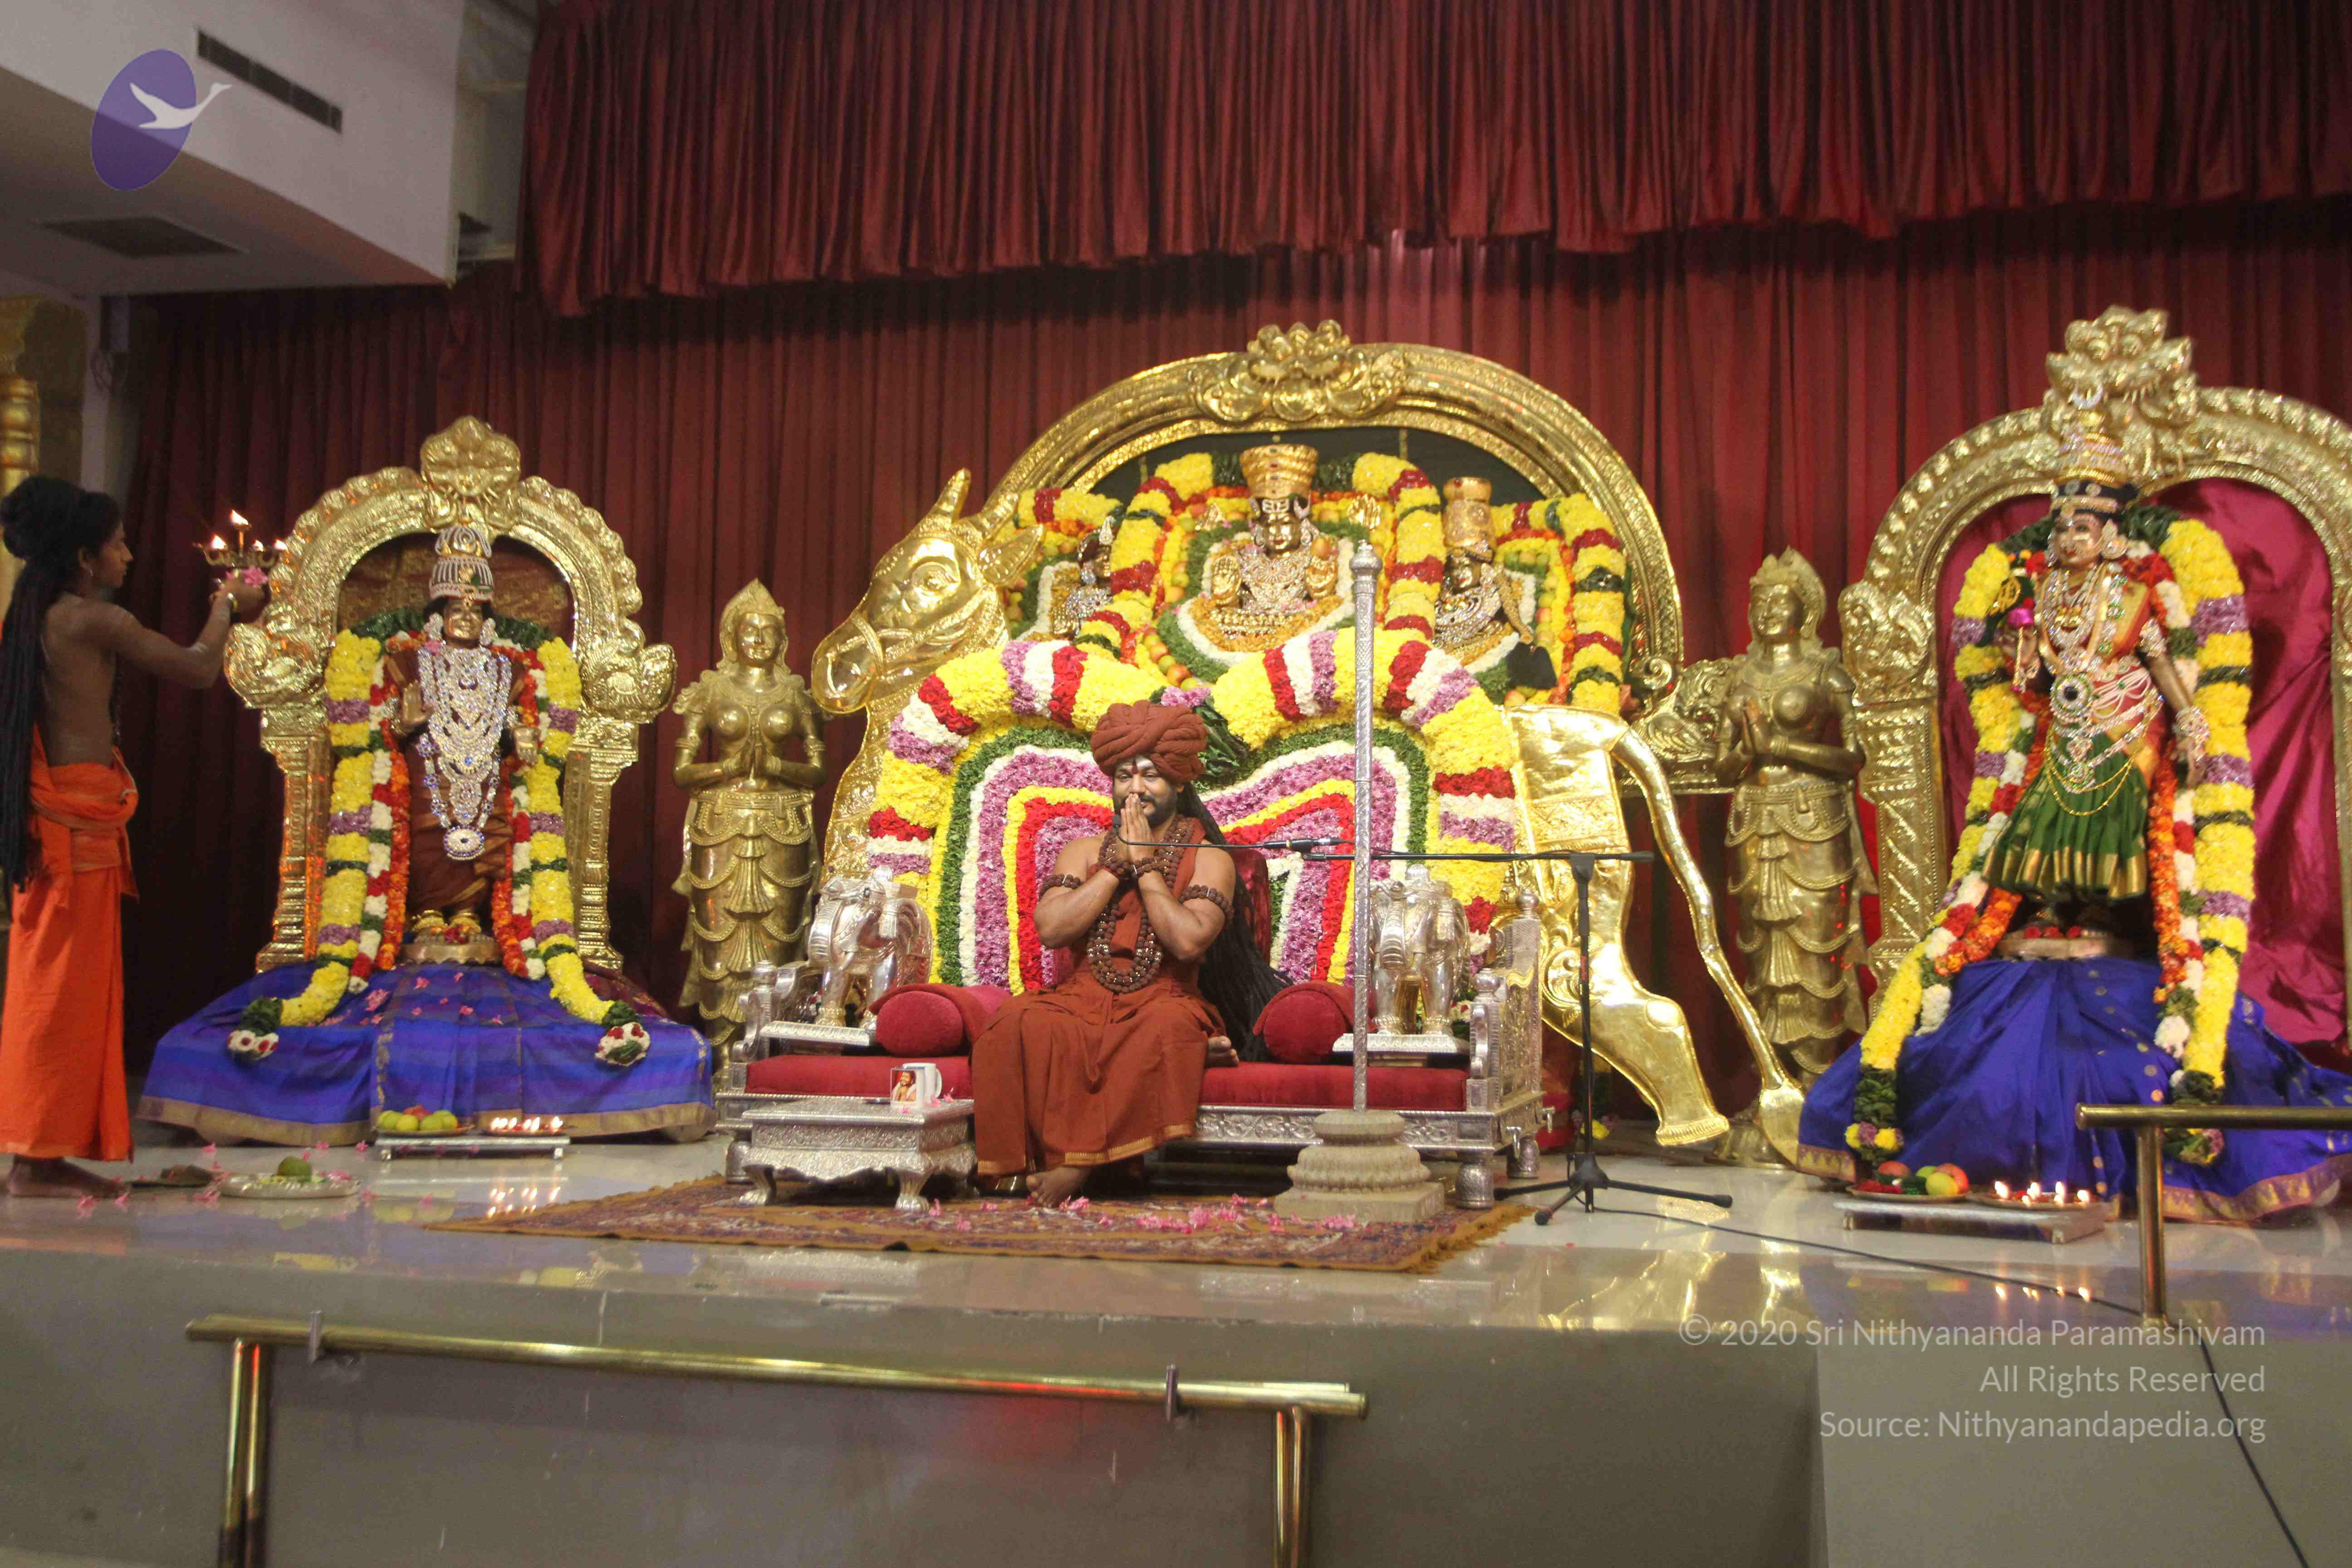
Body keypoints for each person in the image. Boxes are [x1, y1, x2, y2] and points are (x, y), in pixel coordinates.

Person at [0, 477, 235, 1197]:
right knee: (62, 994)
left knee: (66, 990)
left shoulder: (34, 617)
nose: (129, 556)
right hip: (73, 827)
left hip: (69, 820)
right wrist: (228, 607)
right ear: (84, 558)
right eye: (119, 544)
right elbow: (198, 668)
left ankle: (43, 1153)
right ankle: (32, 1158)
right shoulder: (90, 620)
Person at [971, 700, 1285, 1206]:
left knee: (1163, 1029)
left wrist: (1146, 868)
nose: (1135, 788)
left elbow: (1187, 941)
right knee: (1013, 1022)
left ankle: (1076, 1168)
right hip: (1079, 998)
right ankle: (1017, 1164)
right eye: (1124, 776)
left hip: (1164, 1000)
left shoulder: (1209, 858)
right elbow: (1052, 929)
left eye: (1151, 775)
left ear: (1179, 784)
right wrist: (1115, 867)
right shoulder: (1083, 852)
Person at [1713, 549, 1870, 1083]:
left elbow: (1853, 758)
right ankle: (1773, 1086)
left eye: (1781, 601)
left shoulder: (1828, 672)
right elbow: (1721, 767)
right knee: (1763, 953)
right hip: (1755, 819)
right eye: (1759, 601)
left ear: (1806, 610)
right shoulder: (1740, 676)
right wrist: (1748, 748)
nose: (1768, 611)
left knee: (1818, 946)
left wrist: (1781, 746)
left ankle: (1820, 1085)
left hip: (1815, 817)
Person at [671, 581, 824, 1047]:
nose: (758, 640)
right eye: (749, 631)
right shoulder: (710, 691)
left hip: (781, 823)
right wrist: (726, 768)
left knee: (782, 938)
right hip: (722, 820)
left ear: (783, 641)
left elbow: (817, 771)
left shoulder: (796, 695)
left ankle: (770, 1051)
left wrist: (778, 768)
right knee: (718, 938)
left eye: (768, 631)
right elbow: (681, 772)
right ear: (731, 639)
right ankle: (722, 1055)